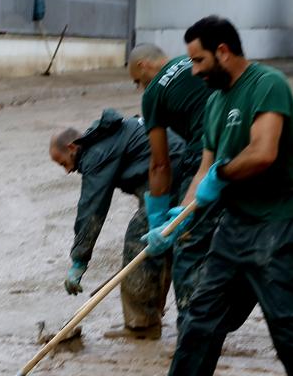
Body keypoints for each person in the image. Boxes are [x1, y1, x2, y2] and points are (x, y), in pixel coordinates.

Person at [126, 16, 293, 376]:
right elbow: (205, 169)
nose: (193, 70)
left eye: (199, 60)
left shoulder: (268, 85)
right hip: (237, 224)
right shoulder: (214, 102)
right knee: (200, 315)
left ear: (224, 51)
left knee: (287, 322)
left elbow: (263, 152)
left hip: (282, 221)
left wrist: (221, 176)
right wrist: (175, 221)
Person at [50, 109, 189, 340]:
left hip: (173, 172)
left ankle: (141, 326)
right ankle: (158, 316)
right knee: (163, 242)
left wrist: (79, 260)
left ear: (72, 147)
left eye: (62, 162)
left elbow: (92, 209)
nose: (67, 170)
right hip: (181, 168)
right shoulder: (110, 136)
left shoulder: (96, 153)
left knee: (139, 239)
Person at [128, 43, 215, 320]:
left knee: (187, 247)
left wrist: (157, 219)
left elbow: (160, 163)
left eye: (137, 82)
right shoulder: (194, 63)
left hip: (204, 158)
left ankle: (192, 331)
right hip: (244, 149)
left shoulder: (153, 94)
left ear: (143, 65)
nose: (140, 87)